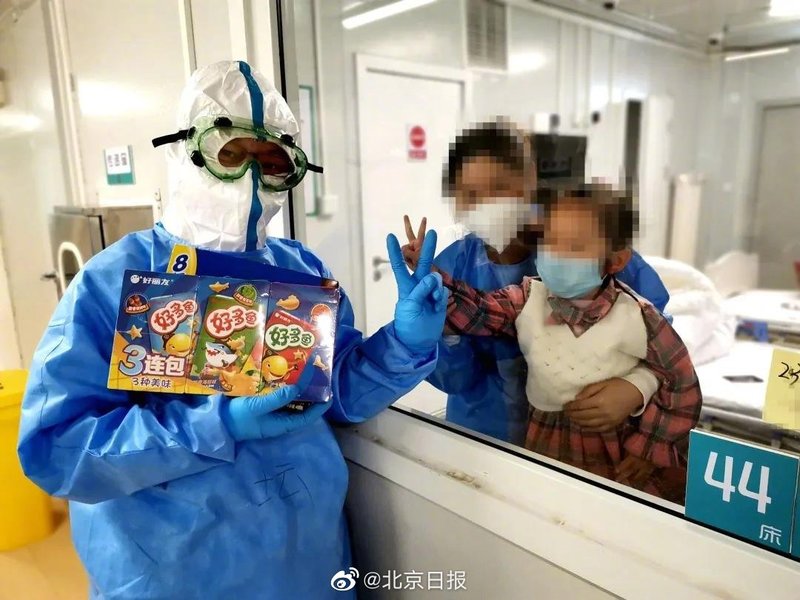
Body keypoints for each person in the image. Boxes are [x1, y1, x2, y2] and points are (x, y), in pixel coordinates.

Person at [17, 61, 447, 600]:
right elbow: (61, 450)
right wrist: (217, 424)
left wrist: (405, 342)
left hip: (306, 559)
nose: (249, 177)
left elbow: (333, 392)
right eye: (232, 153)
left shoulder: (302, 271)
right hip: (170, 569)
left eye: (271, 161)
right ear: (185, 151)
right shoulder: (112, 282)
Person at [398, 183, 701, 501]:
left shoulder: (636, 315)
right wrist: (432, 279)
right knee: (549, 511)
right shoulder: (528, 296)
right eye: (550, 242)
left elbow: (680, 378)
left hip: (614, 445)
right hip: (546, 438)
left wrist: (650, 447)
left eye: (574, 246)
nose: (556, 255)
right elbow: (481, 310)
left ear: (615, 261)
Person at [408, 121, 672, 445]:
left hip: (584, 444)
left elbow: (659, 335)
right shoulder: (451, 267)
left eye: (499, 187)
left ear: (529, 179)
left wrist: (638, 387)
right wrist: (445, 329)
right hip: (481, 438)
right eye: (471, 195)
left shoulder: (579, 239)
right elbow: (456, 380)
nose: (486, 205)